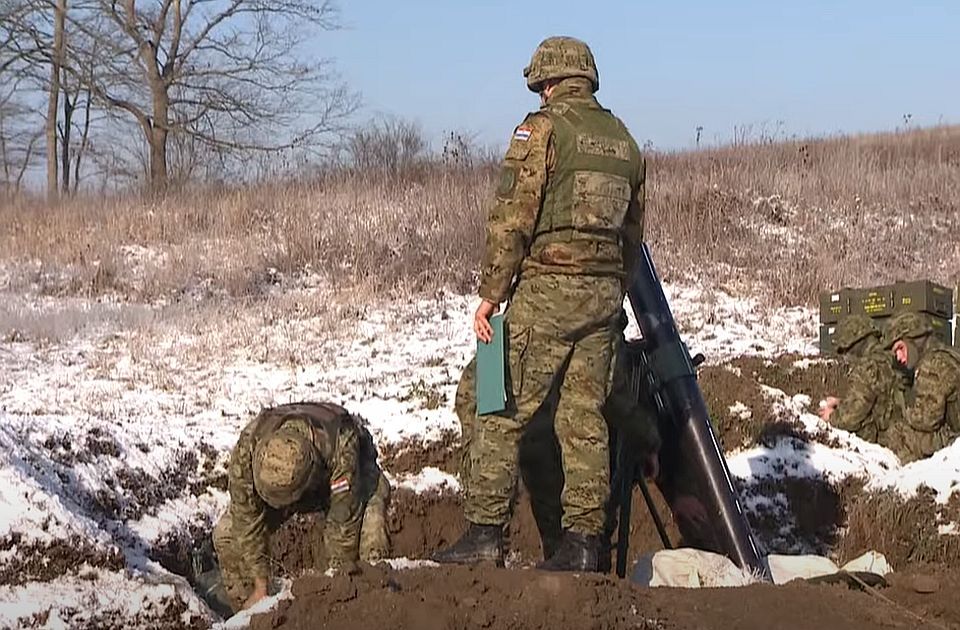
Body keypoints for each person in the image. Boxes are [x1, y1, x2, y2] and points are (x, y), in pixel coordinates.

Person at [433, 35, 647, 572]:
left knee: (495, 402)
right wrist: (612, 295)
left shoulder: (541, 130)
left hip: (548, 292)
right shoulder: (624, 140)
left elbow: (512, 219)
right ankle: (581, 546)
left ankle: (485, 535)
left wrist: (490, 296)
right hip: (603, 300)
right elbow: (632, 236)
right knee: (584, 418)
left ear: (547, 82)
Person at [211, 402, 390, 613]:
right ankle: (250, 614)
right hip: (294, 482)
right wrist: (260, 585)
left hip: (353, 474)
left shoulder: (341, 444)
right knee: (226, 535)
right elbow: (245, 519)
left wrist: (337, 590)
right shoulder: (248, 447)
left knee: (372, 539)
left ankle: (370, 611)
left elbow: (343, 528)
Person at [819, 315, 908, 449]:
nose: (845, 356)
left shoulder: (867, 366)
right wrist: (841, 403)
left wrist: (831, 416)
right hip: (905, 435)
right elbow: (877, 398)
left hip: (889, 445)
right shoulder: (892, 357)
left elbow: (850, 418)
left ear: (854, 344)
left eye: (845, 351)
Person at [881, 312, 960, 463]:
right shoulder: (946, 354)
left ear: (915, 340)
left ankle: (911, 479)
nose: (898, 357)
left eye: (900, 348)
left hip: (955, 442)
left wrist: (904, 413)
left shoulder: (932, 364)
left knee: (897, 433)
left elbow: (926, 419)